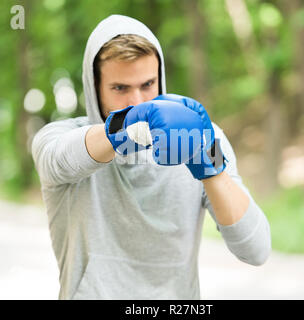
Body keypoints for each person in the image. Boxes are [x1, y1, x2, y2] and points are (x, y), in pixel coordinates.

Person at [31, 14, 271, 300]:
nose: (138, 102)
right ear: (94, 87)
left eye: (147, 85)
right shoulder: (59, 137)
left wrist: (210, 161)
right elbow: (59, 160)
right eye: (120, 88)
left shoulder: (199, 136)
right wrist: (127, 129)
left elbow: (255, 250)